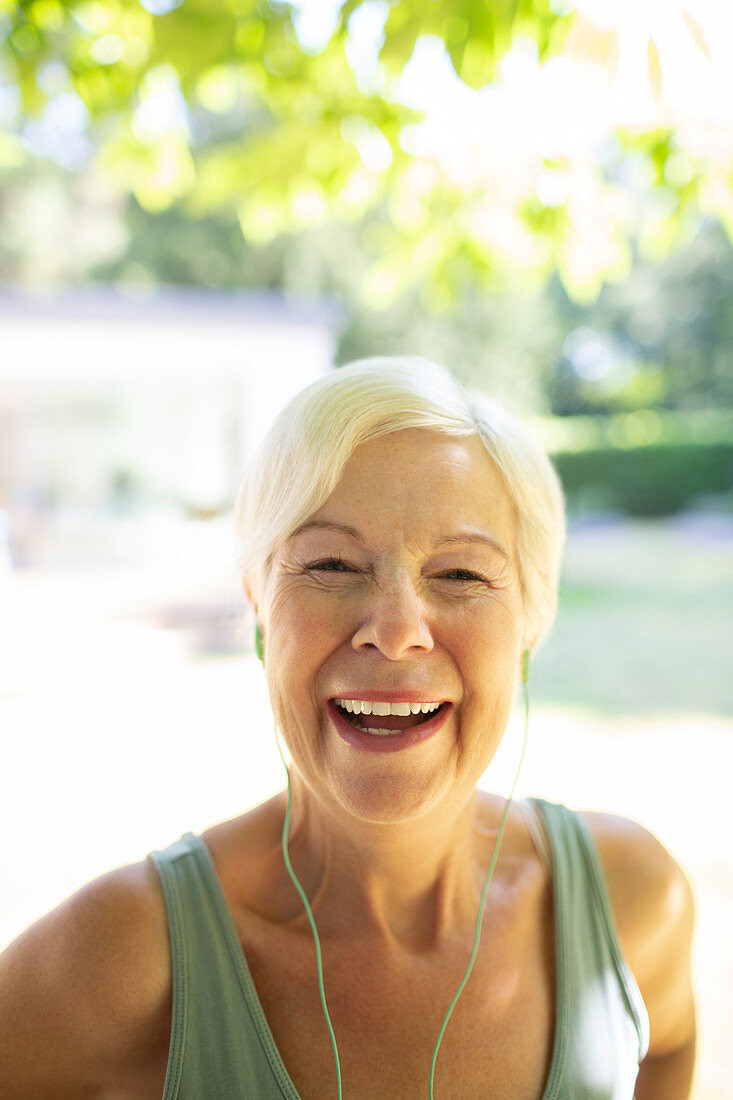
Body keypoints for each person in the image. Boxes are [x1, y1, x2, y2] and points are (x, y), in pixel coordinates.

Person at [0, 357, 695, 1099]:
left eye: (460, 575)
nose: (396, 631)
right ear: (260, 607)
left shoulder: (633, 899)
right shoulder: (122, 953)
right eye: (330, 563)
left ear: (530, 620)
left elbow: (666, 1047)